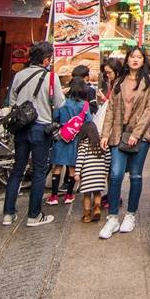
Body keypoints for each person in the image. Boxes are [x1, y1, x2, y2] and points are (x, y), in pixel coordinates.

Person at [2, 41, 64, 227]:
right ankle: (34, 215)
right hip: (41, 127)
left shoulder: (19, 75)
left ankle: (8, 214)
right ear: (46, 59)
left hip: (21, 127)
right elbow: (59, 103)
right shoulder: (52, 78)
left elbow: (12, 101)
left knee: (17, 170)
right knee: (38, 171)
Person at [98, 46, 150, 238]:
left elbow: (149, 110)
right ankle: (113, 218)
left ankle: (130, 215)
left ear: (143, 61)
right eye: (132, 56)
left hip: (139, 136)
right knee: (115, 175)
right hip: (117, 133)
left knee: (136, 175)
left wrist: (137, 133)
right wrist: (105, 134)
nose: (135, 60)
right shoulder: (119, 82)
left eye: (139, 57)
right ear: (127, 59)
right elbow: (111, 110)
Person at [47, 74, 92, 206]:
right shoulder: (84, 105)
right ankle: (69, 195)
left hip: (61, 137)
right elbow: (88, 122)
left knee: (57, 167)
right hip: (76, 139)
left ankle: (54, 196)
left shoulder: (62, 103)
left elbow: (55, 117)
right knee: (72, 168)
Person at [75, 120, 108, 223]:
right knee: (97, 193)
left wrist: (77, 172)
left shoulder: (83, 144)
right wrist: (105, 172)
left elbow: (80, 158)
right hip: (99, 174)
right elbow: (108, 157)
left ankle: (87, 215)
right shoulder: (101, 143)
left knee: (87, 195)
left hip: (87, 175)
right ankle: (97, 209)